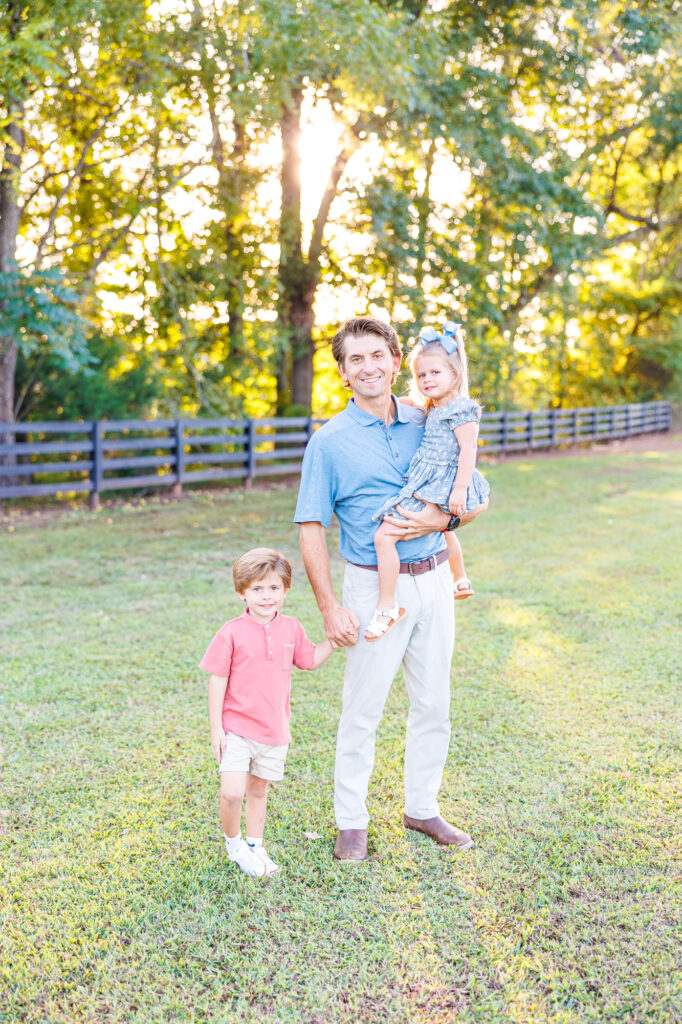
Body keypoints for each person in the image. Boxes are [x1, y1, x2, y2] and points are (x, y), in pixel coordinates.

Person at [295, 314, 482, 862]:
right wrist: (329, 607)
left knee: (433, 704)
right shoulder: (327, 443)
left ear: (397, 361)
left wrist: (441, 524)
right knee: (363, 709)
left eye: (378, 355)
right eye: (356, 359)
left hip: (434, 582)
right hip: (373, 587)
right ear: (343, 371)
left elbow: (469, 497)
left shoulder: (432, 417)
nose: (369, 366)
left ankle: (422, 808)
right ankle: (351, 821)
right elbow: (311, 527)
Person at [199, 547, 334, 877]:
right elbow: (217, 681)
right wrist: (216, 729)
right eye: (257, 589)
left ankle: (256, 846)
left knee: (258, 790)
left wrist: (335, 639)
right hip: (236, 728)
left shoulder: (291, 628)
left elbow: (310, 660)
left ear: (286, 590)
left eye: (274, 588)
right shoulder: (230, 632)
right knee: (232, 792)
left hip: (274, 730)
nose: (266, 596)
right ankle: (235, 846)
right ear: (242, 592)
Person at [365, 321, 489, 641]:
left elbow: (468, 450)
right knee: (443, 532)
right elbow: (416, 408)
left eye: (435, 373)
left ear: (454, 375)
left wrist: (459, 489)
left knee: (384, 537)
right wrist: (393, 401)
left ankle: (387, 606)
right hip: (430, 479)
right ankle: (459, 578)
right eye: (421, 375)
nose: (427, 380)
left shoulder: (461, 408)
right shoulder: (436, 406)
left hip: (443, 482)